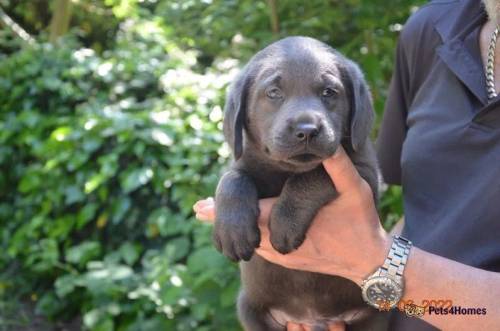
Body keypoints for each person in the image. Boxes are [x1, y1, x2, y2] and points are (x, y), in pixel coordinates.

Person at [194, 0, 500, 330]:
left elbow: (366, 185)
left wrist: (374, 263)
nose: (306, 124)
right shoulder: (435, 29)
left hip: (368, 312)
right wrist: (233, 190)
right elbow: (417, 215)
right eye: (274, 93)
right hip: (308, 312)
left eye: (328, 92)